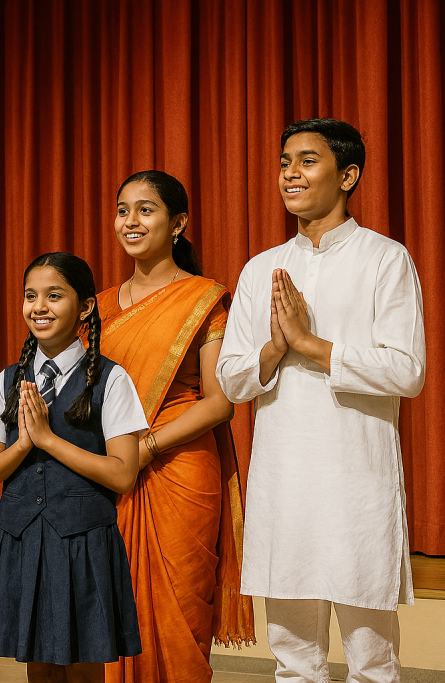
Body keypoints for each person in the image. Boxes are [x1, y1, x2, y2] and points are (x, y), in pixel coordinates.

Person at [217, 118, 426, 682]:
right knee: (293, 662)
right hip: (284, 485)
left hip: (357, 484)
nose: (290, 173)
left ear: (348, 175)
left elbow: (407, 370)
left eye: (307, 161)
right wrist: (274, 349)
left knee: (372, 663)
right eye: (284, 162)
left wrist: (312, 346)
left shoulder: (385, 259)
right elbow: (232, 377)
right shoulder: (261, 269)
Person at [98, 171, 255, 682]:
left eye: (146, 209)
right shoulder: (95, 307)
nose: (131, 221)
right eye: (123, 210)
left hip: (181, 468)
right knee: (114, 613)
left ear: (178, 223)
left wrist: (148, 445)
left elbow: (219, 402)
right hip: (110, 473)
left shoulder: (203, 299)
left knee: (182, 614)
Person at [0, 252, 147, 683]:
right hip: (23, 538)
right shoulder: (6, 381)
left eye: (54, 295)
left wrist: (50, 440)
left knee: (84, 666)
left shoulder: (111, 379)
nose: (39, 307)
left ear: (85, 307)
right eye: (31, 296)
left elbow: (124, 474)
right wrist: (24, 445)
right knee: (42, 667)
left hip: (83, 541)